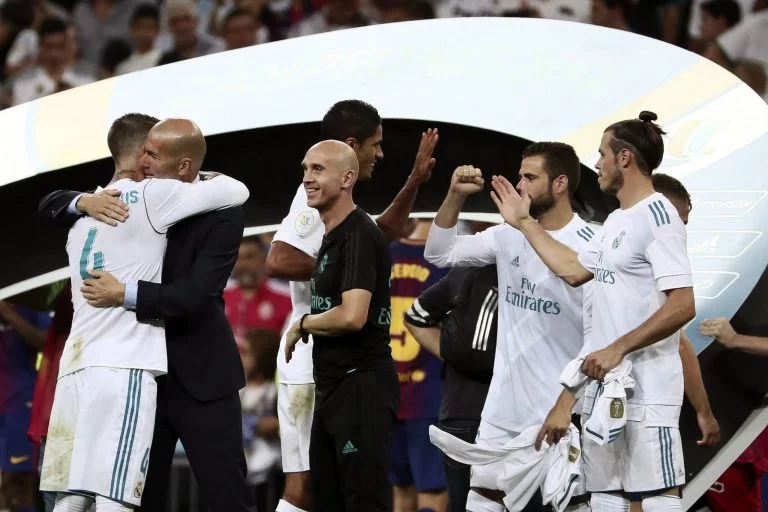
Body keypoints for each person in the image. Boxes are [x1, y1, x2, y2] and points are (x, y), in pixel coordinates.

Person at [37, 118, 254, 512]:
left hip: (200, 373)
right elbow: (50, 202)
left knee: (226, 497)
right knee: (137, 498)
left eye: (153, 154)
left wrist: (126, 293)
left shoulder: (221, 211)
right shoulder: (122, 201)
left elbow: (199, 293)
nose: (144, 160)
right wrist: (82, 200)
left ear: (184, 166)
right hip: (139, 372)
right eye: (145, 151)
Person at [500, 112, 695, 512]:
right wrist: (524, 223)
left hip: (647, 391)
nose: (597, 163)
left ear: (624, 158)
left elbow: (683, 304)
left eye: (603, 154)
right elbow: (573, 270)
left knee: (657, 498)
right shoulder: (616, 221)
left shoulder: (659, 216)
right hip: (604, 391)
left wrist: (617, 348)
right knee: (606, 499)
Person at [265, 99, 438, 512]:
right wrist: (342, 271)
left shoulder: (349, 220)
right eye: (375, 144)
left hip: (335, 363)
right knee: (308, 489)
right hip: (313, 361)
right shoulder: (311, 200)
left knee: (334, 490)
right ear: (351, 145)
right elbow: (279, 259)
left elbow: (380, 234)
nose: (380, 153)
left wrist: (415, 180)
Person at [424, 142, 592, 512]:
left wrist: (567, 403)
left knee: (567, 506)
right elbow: (439, 253)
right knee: (481, 501)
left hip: (557, 415)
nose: (519, 186)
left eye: (530, 178)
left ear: (560, 183)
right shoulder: (507, 235)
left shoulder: (591, 245)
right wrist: (454, 196)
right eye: (520, 176)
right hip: (500, 414)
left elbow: (598, 336)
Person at [283, 140, 398, 511]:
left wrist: (303, 323)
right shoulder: (332, 235)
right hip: (333, 386)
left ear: (347, 178)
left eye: (318, 169)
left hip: (360, 386)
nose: (307, 178)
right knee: (328, 499)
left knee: (364, 502)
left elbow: (352, 315)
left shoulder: (358, 233)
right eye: (305, 169)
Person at [404, 261, 499, 512]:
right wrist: (456, 357)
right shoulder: (485, 273)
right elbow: (416, 318)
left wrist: (454, 357)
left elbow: (416, 317)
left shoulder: (466, 269)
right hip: (475, 411)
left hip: (461, 408)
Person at [388, 220, 449, 512]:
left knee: (401, 492)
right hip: (430, 393)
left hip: (387, 392)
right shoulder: (449, 259)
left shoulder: (382, 253)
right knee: (433, 494)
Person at [0, 300, 50, 512]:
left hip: (20, 403)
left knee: (18, 483)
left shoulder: (28, 298)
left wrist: (8, 313)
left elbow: (46, 341)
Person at [224, 237, 291, 344]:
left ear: (264, 258)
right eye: (238, 258)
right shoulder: (219, 297)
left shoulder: (286, 297)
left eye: (249, 257)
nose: (243, 264)